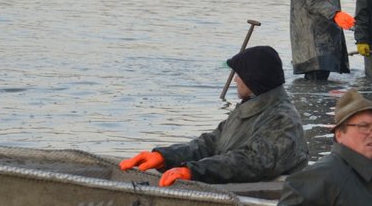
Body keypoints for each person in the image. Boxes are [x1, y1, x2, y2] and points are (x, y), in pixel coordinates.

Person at [119, 45, 308, 186]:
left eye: (239, 74)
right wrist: (165, 157)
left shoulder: (283, 119)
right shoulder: (248, 108)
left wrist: (193, 171)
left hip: (268, 198)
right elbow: (210, 143)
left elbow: (251, 162)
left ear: (254, 78)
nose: (235, 79)